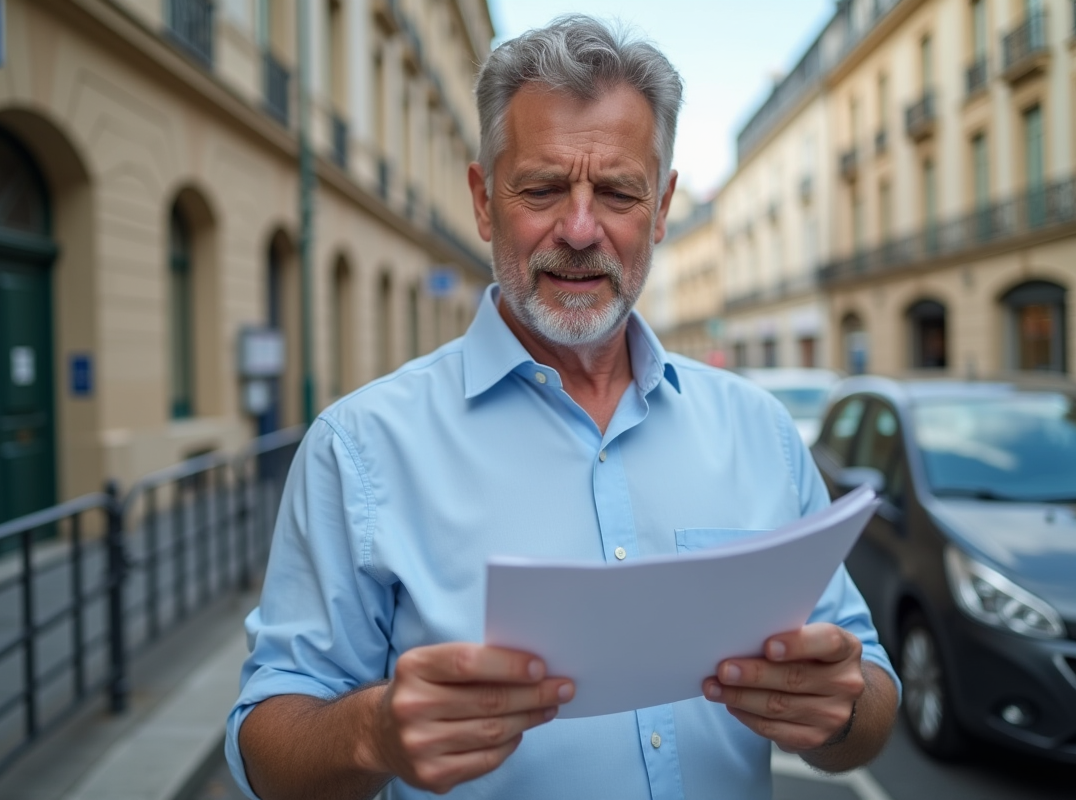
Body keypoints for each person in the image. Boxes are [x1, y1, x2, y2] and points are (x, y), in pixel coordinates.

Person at [227, 15, 899, 800]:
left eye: (617, 192)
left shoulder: (761, 434)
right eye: (542, 189)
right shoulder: (361, 447)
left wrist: (842, 712)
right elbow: (265, 750)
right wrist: (372, 732)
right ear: (483, 201)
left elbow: (869, 695)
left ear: (661, 209)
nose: (580, 231)